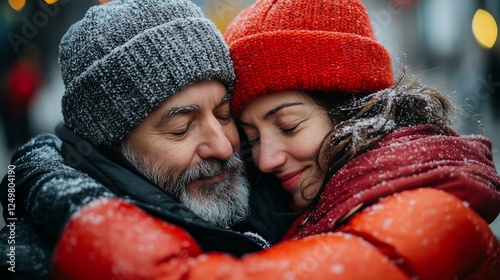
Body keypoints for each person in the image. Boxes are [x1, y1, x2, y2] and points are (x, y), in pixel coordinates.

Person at [47, 0, 500, 279]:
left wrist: (73, 207)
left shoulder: (420, 205)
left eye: (287, 126)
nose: (256, 158)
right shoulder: (335, 196)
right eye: (246, 132)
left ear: (350, 106)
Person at [0, 0, 293, 279]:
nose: (224, 146)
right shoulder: (39, 263)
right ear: (111, 145)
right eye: (181, 129)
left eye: (223, 114)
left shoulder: (285, 190)